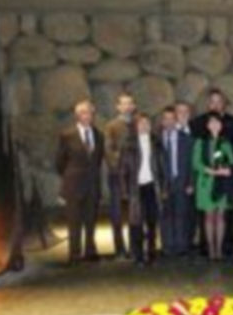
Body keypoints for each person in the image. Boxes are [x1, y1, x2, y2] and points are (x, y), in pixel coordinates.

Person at [191, 89, 233, 257]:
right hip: (205, 183)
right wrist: (211, 170)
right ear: (207, 125)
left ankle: (219, 249)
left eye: (217, 123)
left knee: (220, 218)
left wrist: (228, 170)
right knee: (208, 218)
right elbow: (196, 163)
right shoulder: (200, 142)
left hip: (222, 184)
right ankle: (210, 248)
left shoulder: (225, 143)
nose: (214, 125)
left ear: (221, 125)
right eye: (211, 123)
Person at [56, 100, 104, 265]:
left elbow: (97, 160)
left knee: (91, 220)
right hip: (74, 185)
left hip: (92, 185)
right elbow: (60, 162)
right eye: (83, 112)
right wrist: (71, 176)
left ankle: (90, 251)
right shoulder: (67, 135)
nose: (87, 116)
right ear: (77, 115)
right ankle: (74, 253)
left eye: (89, 112)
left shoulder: (98, 135)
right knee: (74, 221)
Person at [121, 113, 162, 266]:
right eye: (141, 123)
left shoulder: (156, 142)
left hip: (152, 186)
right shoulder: (129, 144)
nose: (144, 126)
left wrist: (163, 187)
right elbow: (123, 169)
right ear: (136, 126)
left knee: (152, 221)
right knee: (136, 222)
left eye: (147, 123)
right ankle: (138, 255)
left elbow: (162, 167)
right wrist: (125, 190)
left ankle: (151, 253)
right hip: (136, 188)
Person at [157, 107, 194, 256]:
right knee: (165, 216)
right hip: (164, 183)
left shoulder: (186, 138)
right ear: (162, 121)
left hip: (182, 181)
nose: (169, 122)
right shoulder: (156, 140)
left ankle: (181, 246)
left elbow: (191, 162)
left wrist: (191, 182)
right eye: (166, 119)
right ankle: (167, 246)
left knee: (181, 215)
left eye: (172, 118)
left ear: (176, 120)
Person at [103, 93, 134, 258]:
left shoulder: (137, 124)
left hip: (134, 177)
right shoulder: (111, 126)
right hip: (117, 176)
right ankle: (120, 248)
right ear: (118, 107)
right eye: (124, 104)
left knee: (134, 213)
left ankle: (134, 246)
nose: (127, 106)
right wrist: (119, 167)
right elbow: (108, 149)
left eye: (130, 103)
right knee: (117, 213)